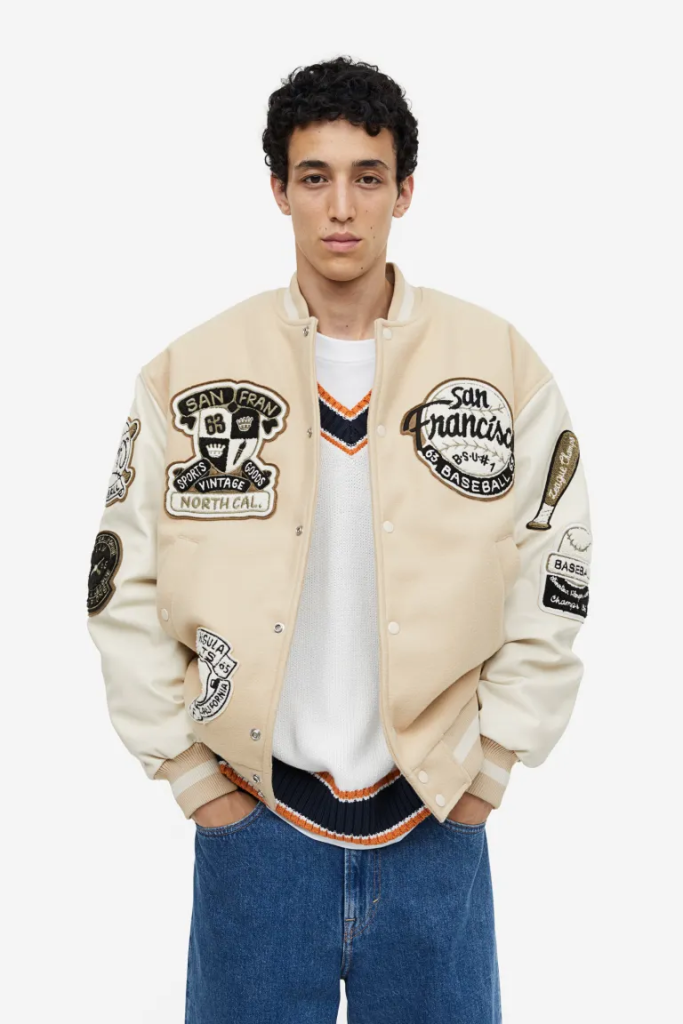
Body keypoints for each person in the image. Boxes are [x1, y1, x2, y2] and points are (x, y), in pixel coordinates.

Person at [87, 55, 592, 1024]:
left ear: (405, 190)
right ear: (278, 189)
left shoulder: (498, 365)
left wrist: (491, 763)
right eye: (314, 177)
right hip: (254, 822)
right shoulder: (187, 371)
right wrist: (194, 781)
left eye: (367, 176)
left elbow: (554, 566)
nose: (341, 207)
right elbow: (120, 587)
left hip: (433, 815)